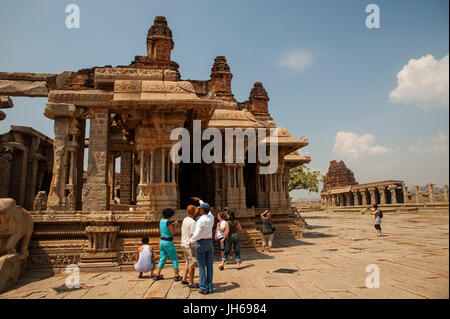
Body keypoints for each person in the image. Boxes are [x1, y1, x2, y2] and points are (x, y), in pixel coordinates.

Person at [189, 197, 215, 295]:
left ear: (203, 210)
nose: (199, 210)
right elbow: (209, 211)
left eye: (200, 208)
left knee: (201, 266)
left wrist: (191, 241)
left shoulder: (200, 220)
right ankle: (210, 286)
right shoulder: (211, 217)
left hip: (201, 243)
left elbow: (197, 234)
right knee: (209, 266)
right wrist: (200, 200)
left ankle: (203, 287)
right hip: (209, 243)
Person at [154, 208, 181, 281]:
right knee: (174, 258)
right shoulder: (168, 222)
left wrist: (172, 224)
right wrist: (175, 225)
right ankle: (176, 275)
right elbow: (172, 233)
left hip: (162, 241)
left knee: (162, 258)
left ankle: (157, 274)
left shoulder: (161, 221)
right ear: (170, 215)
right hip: (168, 242)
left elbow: (164, 228)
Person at [180, 205, 199, 288]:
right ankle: (191, 282)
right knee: (192, 263)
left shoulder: (185, 219)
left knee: (188, 262)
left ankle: (184, 278)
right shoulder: (193, 222)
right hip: (189, 245)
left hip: (183, 243)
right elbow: (192, 235)